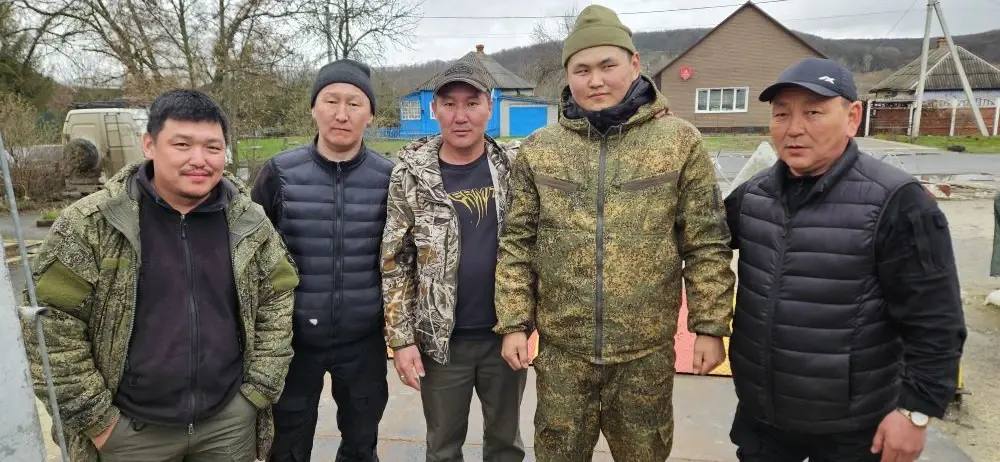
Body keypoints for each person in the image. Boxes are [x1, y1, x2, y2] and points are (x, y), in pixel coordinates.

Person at [493, 5, 735, 461]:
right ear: (568, 76)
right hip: (564, 352)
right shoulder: (541, 150)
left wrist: (709, 326)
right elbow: (517, 244)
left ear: (635, 63)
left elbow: (705, 241)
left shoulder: (678, 142)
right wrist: (514, 323)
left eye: (608, 65)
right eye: (582, 70)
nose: (596, 80)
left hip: (645, 352)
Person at [25, 89, 298, 461]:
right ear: (149, 145)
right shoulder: (92, 225)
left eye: (212, 147)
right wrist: (99, 422)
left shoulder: (249, 223)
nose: (199, 160)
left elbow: (278, 300)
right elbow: (51, 325)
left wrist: (255, 395)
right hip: (130, 433)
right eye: (182, 144)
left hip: (227, 426)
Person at [725, 57, 967, 462]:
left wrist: (915, 411)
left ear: (853, 117)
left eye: (813, 113)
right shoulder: (753, 195)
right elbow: (698, 241)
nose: (794, 128)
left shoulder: (897, 201)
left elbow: (936, 318)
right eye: (782, 114)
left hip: (854, 424)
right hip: (764, 414)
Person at [381, 60, 527, 461]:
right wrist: (401, 340)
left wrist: (525, 321)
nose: (460, 116)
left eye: (472, 103)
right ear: (434, 109)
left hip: (505, 336)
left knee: (506, 445)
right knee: (443, 447)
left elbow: (534, 244)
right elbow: (395, 262)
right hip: (441, 344)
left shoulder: (514, 167)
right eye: (449, 104)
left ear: (490, 106)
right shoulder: (410, 175)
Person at [251, 59, 393, 462]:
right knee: (286, 446)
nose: (341, 114)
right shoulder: (279, 173)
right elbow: (248, 255)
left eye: (354, 103)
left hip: (363, 340)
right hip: (292, 342)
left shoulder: (390, 177)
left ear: (370, 115)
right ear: (314, 107)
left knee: (361, 444)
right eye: (331, 100)